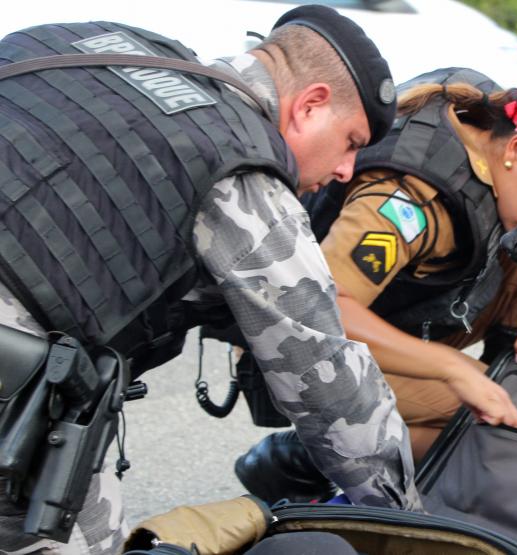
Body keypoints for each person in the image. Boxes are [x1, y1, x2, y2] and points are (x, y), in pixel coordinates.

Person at [0, 5, 422, 554]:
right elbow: (333, 390)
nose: (347, 171)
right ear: (311, 105)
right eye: (350, 141)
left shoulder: (97, 44)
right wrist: (414, 525)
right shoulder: (240, 171)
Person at [235, 68, 517, 502]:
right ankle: (305, 462)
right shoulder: (407, 198)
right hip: (308, 349)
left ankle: (377, 456)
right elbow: (318, 307)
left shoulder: (500, 170)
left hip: (407, 329)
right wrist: (451, 367)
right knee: (498, 424)